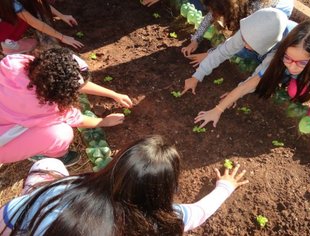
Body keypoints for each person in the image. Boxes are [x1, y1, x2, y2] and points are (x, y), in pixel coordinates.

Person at [0, 135, 249, 235]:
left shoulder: (64, 189)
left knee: (48, 166)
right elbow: (199, 212)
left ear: (114, 166)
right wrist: (225, 186)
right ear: (164, 189)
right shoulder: (160, 221)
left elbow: (7, 215)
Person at [194, 19, 310, 128]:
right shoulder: (281, 55)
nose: (292, 67)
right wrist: (218, 109)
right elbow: (252, 82)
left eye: (301, 62)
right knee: (293, 91)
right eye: (288, 58)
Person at [0, 47, 133, 165]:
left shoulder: (15, 63)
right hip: (2, 143)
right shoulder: (45, 108)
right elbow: (77, 119)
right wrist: (103, 122)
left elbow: (63, 79)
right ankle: (52, 157)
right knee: (62, 133)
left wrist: (113, 94)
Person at [181, 8, 296, 96]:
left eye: (249, 43)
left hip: (286, 59)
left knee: (278, 76)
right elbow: (222, 51)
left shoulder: (281, 51)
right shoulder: (250, 30)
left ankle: (285, 79)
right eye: (244, 40)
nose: (244, 44)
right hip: (267, 48)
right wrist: (197, 76)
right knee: (240, 50)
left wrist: (236, 93)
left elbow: (257, 77)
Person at [181, 0, 295, 57]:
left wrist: (210, 54)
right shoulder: (227, 4)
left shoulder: (253, 12)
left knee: (249, 47)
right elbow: (210, 16)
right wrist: (195, 39)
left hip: (279, 9)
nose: (214, 14)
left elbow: (236, 39)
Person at [0, 0, 83, 55]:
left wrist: (61, 15)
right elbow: (34, 22)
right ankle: (7, 46)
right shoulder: (13, 3)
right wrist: (62, 37)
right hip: (4, 28)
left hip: (12, 21)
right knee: (9, 31)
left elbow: (38, 3)